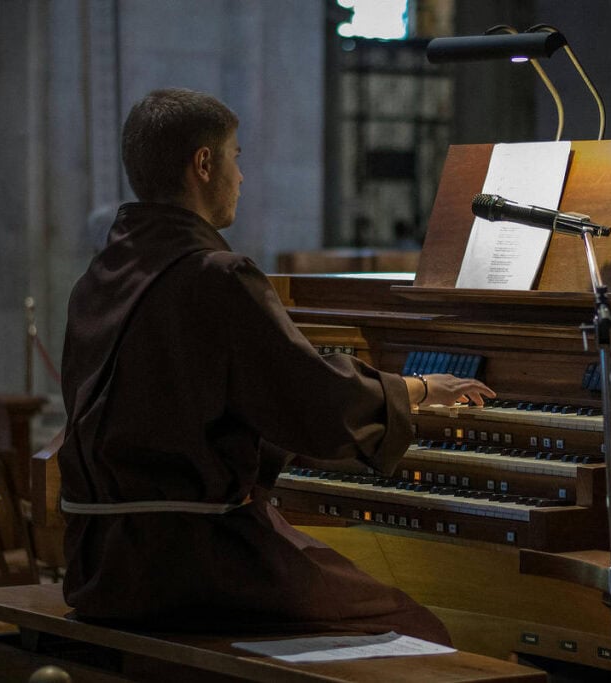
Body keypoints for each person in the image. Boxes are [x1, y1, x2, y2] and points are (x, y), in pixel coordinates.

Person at [58, 88, 495, 641]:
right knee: (415, 629)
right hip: (194, 564)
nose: (241, 177)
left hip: (99, 566)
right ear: (204, 164)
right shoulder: (217, 276)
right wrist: (416, 388)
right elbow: (314, 401)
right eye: (236, 157)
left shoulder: (96, 280)